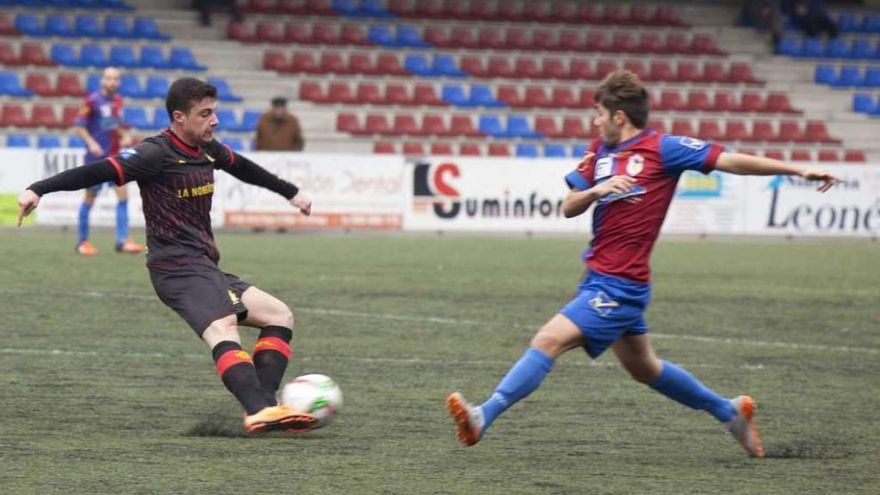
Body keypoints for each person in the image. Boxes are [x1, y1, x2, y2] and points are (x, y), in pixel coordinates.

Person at [446, 70, 839, 458]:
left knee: (548, 340)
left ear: (620, 116)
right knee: (644, 368)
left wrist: (799, 170)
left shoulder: (664, 149)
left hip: (619, 285)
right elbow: (569, 206)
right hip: (599, 278)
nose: (595, 120)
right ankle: (729, 411)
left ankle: (483, 416)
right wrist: (598, 190)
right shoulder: (598, 151)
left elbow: (730, 160)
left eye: (600, 113)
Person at [18, 78, 318, 434]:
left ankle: (266, 405)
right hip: (175, 268)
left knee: (278, 315)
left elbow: (244, 168)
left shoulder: (208, 150)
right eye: (205, 114)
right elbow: (97, 169)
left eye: (215, 112)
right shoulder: (154, 153)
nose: (214, 120)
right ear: (179, 117)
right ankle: (258, 409)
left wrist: (291, 192)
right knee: (223, 328)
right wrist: (39, 189)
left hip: (204, 265)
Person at [73, 67, 145, 256]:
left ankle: (122, 241)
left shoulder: (118, 101)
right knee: (90, 197)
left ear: (119, 82)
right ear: (102, 80)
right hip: (95, 158)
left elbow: (113, 125)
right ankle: (82, 242)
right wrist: (91, 143)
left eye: (115, 79)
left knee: (123, 196)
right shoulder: (92, 100)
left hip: (115, 157)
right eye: (108, 78)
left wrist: (123, 136)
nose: (111, 82)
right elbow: (79, 126)